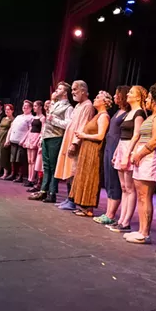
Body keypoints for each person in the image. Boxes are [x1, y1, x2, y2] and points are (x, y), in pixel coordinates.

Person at [126, 82, 156, 244]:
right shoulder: (151, 116)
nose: (146, 100)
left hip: (151, 157)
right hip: (143, 156)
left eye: (149, 98)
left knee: (145, 196)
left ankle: (145, 233)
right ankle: (141, 230)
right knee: (141, 196)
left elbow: (155, 140)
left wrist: (139, 154)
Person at [108, 85, 148, 232]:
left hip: (130, 149)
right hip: (122, 147)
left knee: (130, 188)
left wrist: (128, 153)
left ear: (138, 97)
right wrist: (117, 152)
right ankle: (121, 219)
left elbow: (137, 134)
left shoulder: (139, 113)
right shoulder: (129, 113)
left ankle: (126, 222)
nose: (128, 94)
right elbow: (122, 135)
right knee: (124, 187)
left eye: (131, 92)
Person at [67, 91, 112, 216]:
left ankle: (88, 208)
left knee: (90, 177)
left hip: (94, 149)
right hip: (87, 148)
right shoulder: (97, 115)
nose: (95, 99)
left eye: (98, 98)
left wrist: (83, 135)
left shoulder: (104, 116)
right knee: (84, 175)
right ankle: (82, 205)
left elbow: (100, 136)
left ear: (104, 102)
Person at [56, 80, 96, 211]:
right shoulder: (78, 105)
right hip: (69, 139)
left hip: (76, 142)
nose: (72, 92)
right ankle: (69, 198)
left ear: (83, 91)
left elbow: (83, 125)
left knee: (73, 171)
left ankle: (72, 199)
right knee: (68, 170)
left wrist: (74, 143)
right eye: (72, 90)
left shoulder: (87, 105)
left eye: (75, 89)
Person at [93, 86, 130, 225]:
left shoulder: (127, 113)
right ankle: (108, 212)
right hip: (109, 146)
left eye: (117, 94)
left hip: (116, 147)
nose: (114, 97)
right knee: (108, 180)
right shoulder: (118, 111)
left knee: (114, 181)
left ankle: (111, 214)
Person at [30, 83, 73, 202]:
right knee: (46, 166)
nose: (56, 90)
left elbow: (68, 124)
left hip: (56, 137)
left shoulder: (68, 107)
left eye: (59, 89)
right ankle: (43, 190)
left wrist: (54, 120)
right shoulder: (55, 104)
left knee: (54, 166)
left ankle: (52, 192)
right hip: (47, 137)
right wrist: (42, 137)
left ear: (65, 93)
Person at [27, 99, 52, 192]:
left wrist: (39, 140)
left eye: (48, 105)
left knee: (39, 163)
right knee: (35, 162)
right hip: (39, 139)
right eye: (46, 105)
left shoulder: (44, 118)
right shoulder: (41, 117)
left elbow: (42, 130)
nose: (47, 107)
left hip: (43, 140)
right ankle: (36, 182)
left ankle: (39, 183)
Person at [5, 101, 33, 181]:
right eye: (24, 106)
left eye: (27, 106)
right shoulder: (18, 116)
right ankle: (13, 174)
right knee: (13, 158)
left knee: (20, 159)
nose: (24, 107)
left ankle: (20, 176)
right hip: (14, 139)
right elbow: (11, 127)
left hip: (21, 141)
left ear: (30, 108)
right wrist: (8, 139)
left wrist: (24, 140)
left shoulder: (31, 118)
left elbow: (30, 130)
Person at [25, 100, 45, 187]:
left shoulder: (42, 118)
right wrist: (26, 139)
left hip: (36, 137)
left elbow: (42, 131)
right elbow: (30, 129)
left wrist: (37, 141)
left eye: (35, 106)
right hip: (31, 137)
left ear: (40, 107)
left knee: (33, 160)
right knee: (29, 160)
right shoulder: (34, 117)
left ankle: (32, 179)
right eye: (33, 106)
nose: (34, 108)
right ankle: (29, 178)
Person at [0, 103, 14, 178]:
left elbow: (11, 131)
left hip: (5, 137)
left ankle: (5, 173)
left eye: (8, 109)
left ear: (12, 111)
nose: (7, 111)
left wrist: (7, 140)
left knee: (3, 155)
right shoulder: (3, 118)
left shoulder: (12, 120)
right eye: (6, 109)